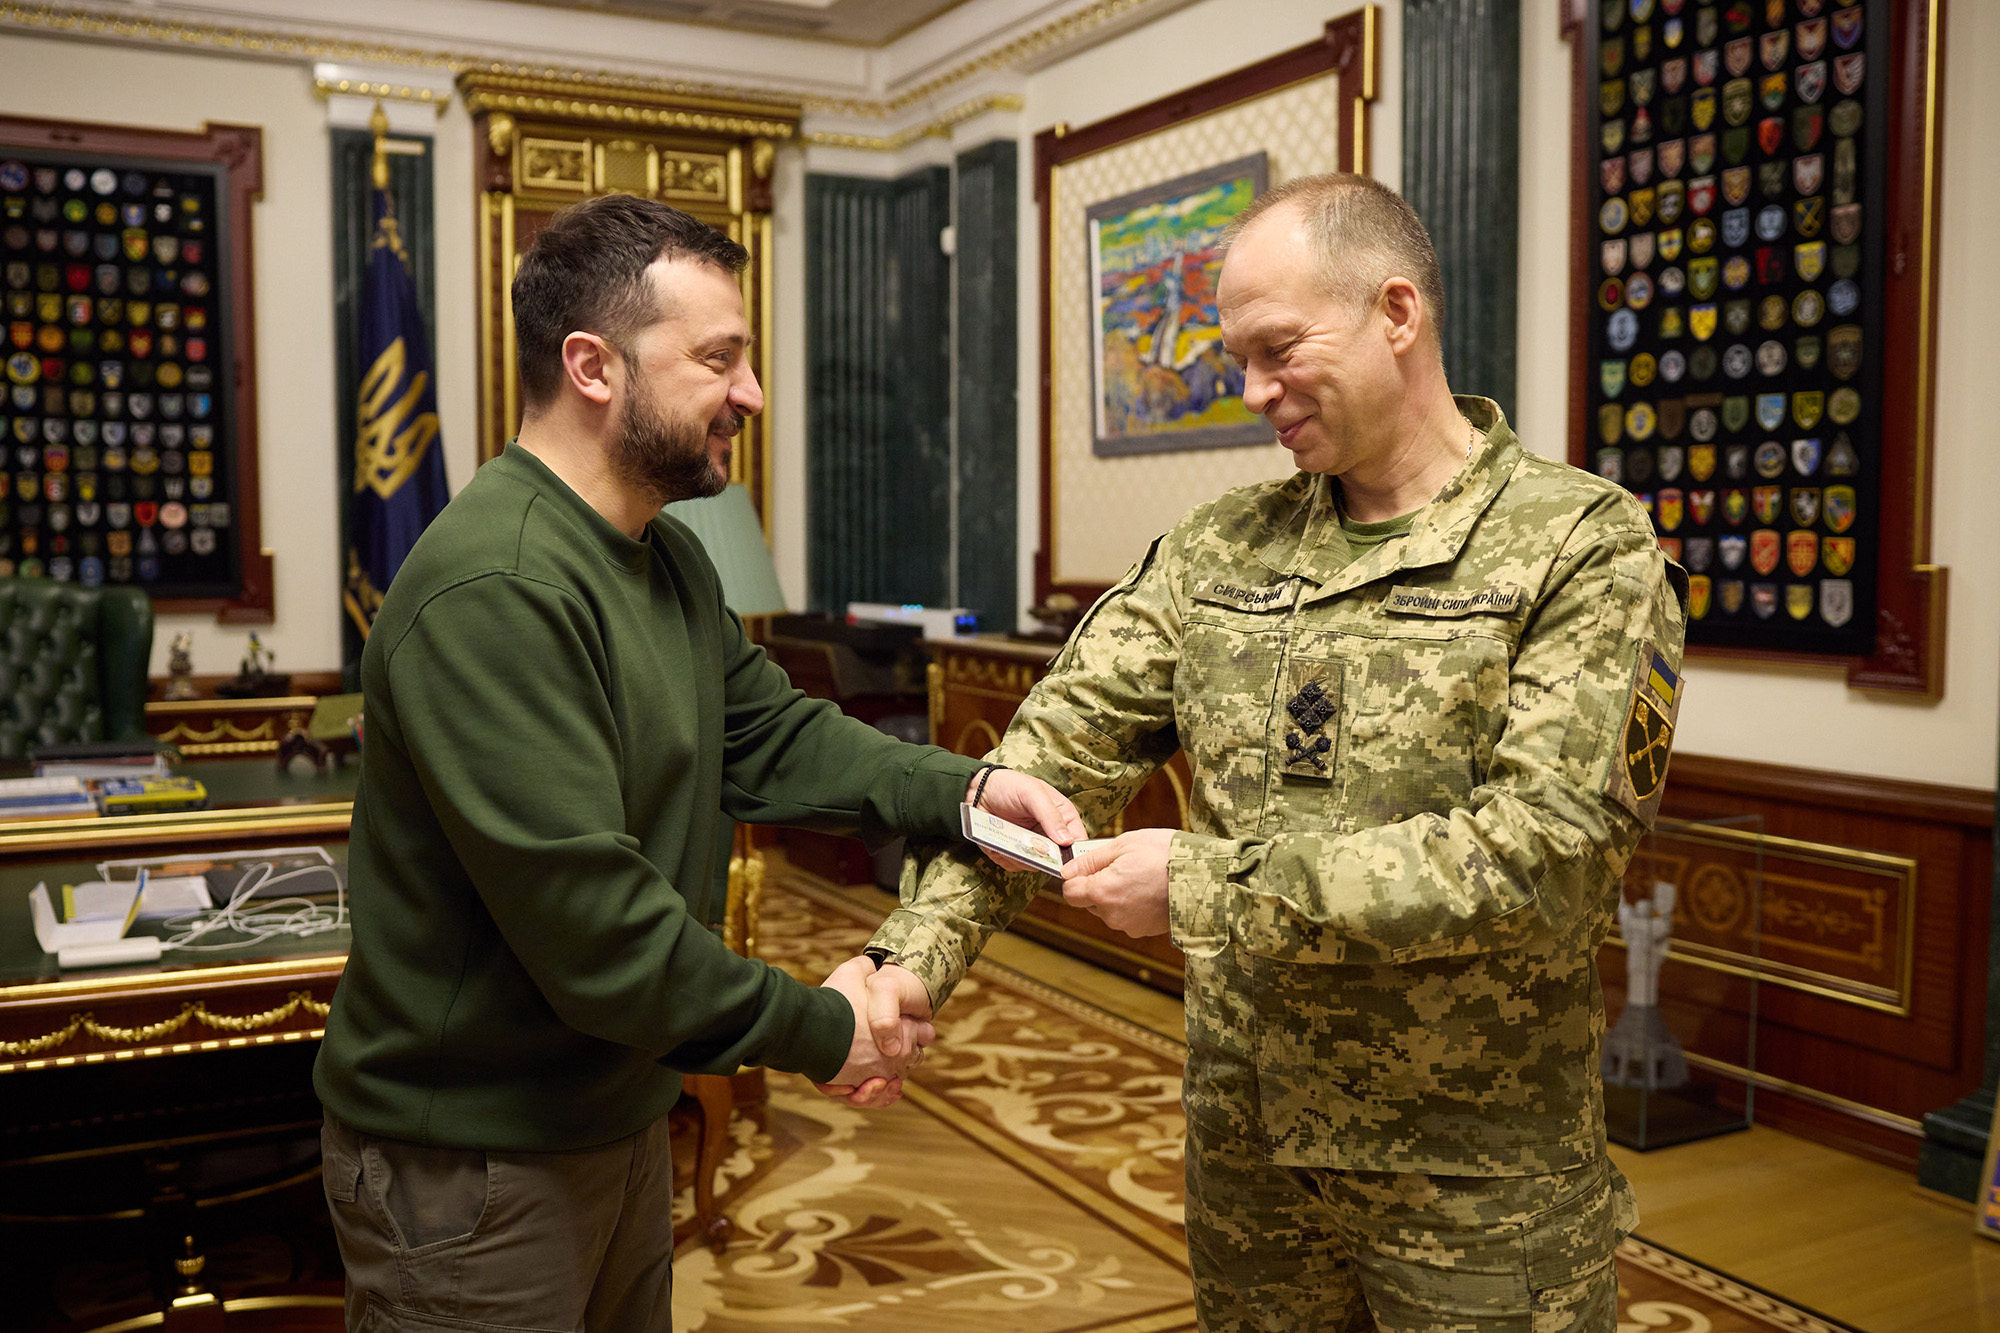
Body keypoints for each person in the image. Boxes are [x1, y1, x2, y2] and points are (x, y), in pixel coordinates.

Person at [860, 174, 1689, 1330]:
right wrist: (910, 960)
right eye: (1234, 360)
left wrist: (1199, 886)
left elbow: (1541, 862)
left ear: (1394, 313)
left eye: (1276, 349)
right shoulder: (1219, 553)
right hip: (1249, 1164)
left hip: (1471, 1183)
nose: (1252, 392)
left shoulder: (1580, 549)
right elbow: (1041, 768)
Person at [312, 194, 1081, 1333]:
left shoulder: (659, 555)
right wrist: (826, 1027)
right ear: (592, 366)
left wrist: (962, 790)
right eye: (717, 358)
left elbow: (768, 731)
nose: (751, 395)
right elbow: (600, 936)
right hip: (472, 1162)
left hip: (612, 1108)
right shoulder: (500, 585)